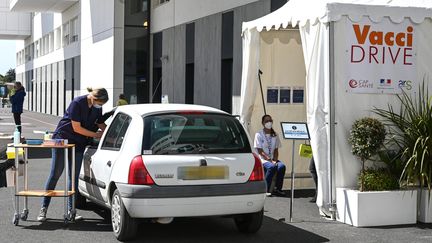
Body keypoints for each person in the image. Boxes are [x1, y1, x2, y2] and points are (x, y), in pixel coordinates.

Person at [37, 87, 109, 222]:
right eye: (99, 103)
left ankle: (72, 211)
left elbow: (100, 122)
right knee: (55, 174)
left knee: (73, 178)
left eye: (101, 105)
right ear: (93, 98)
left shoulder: (97, 107)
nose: (100, 106)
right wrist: (96, 135)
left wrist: (110, 133)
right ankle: (44, 209)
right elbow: (77, 128)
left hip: (79, 143)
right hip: (62, 140)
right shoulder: (77, 103)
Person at [254, 114, 286, 196]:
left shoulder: (275, 134)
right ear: (263, 123)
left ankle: (278, 188)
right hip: (262, 159)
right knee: (271, 167)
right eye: (266, 121)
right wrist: (269, 160)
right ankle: (266, 189)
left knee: (282, 166)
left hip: (272, 159)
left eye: (270, 120)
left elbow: (276, 149)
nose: (269, 122)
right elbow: (260, 151)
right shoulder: (259, 134)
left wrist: (275, 160)